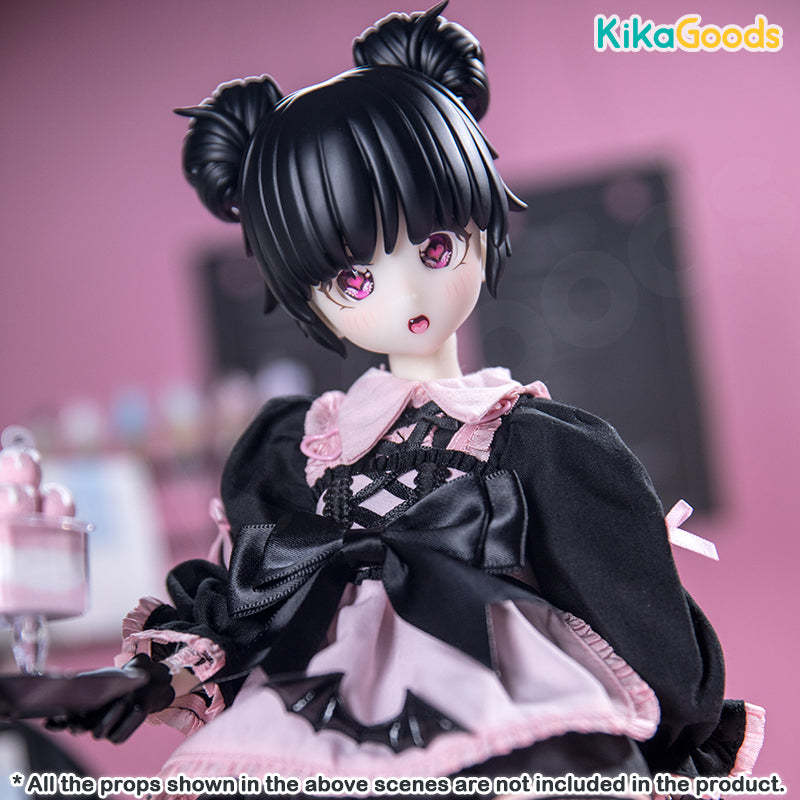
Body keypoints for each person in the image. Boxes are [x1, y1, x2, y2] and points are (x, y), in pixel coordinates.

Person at [49, 4, 764, 797]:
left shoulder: (539, 442)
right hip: (313, 723)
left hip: (511, 708)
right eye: (353, 279)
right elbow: (242, 602)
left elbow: (632, 602)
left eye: (435, 247)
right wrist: (149, 679)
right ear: (308, 297)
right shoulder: (293, 452)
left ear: (483, 227)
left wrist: (680, 731)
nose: (408, 292)